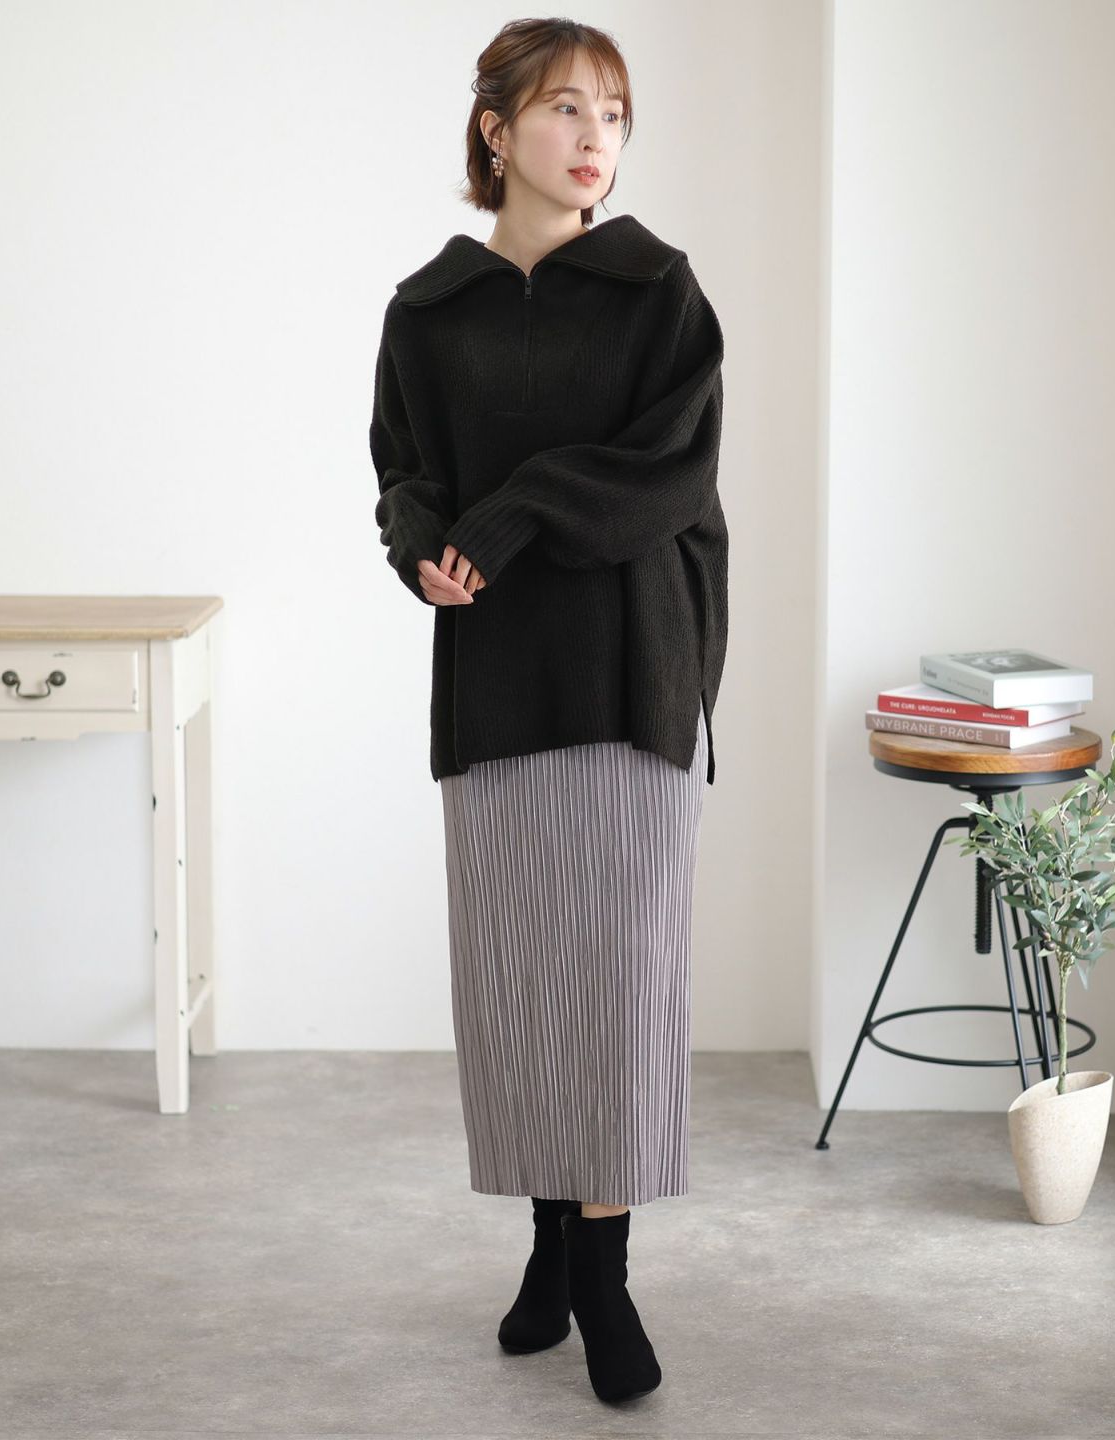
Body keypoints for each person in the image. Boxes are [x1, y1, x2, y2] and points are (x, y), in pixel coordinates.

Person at [369, 17, 729, 1407]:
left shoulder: (657, 291)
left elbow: (670, 472)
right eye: (568, 108)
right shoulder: (428, 311)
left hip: (632, 669)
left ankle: (605, 1276)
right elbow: (405, 471)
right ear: (496, 128)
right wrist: (423, 545)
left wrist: (511, 515)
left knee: (620, 987)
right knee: (521, 981)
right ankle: (545, 1246)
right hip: (499, 680)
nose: (596, 138)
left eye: (615, 115)